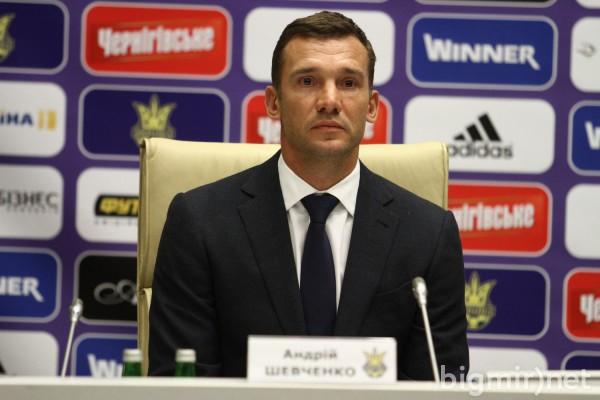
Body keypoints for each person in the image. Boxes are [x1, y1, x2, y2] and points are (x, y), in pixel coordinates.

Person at [149, 10, 468, 380]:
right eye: (307, 81)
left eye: (348, 83)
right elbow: (180, 382)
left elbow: (442, 383)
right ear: (273, 103)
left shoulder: (428, 235)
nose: (329, 100)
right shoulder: (201, 223)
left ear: (371, 106)